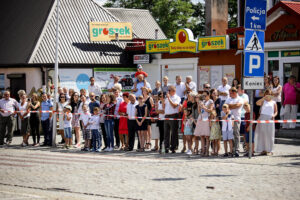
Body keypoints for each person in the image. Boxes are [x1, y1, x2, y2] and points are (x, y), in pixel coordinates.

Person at [255, 89, 277, 156]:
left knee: (270, 134)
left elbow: (276, 111)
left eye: (269, 93)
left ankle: (270, 150)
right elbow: (257, 103)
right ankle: (263, 149)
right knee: (262, 134)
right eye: (267, 93)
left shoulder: (273, 102)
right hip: (262, 118)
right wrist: (263, 98)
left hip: (270, 118)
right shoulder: (263, 101)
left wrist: (274, 115)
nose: (268, 94)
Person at [225, 87, 244, 157]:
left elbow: (238, 105)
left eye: (231, 93)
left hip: (236, 119)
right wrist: (232, 106)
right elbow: (225, 107)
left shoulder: (240, 99)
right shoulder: (228, 98)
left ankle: (237, 149)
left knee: (236, 134)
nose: (229, 94)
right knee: (230, 135)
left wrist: (230, 106)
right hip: (229, 119)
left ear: (234, 93)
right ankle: (231, 149)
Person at [194, 91, 213, 156]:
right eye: (203, 96)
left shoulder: (210, 101)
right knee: (201, 135)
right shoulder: (203, 101)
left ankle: (207, 151)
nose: (204, 97)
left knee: (207, 136)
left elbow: (210, 110)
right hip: (201, 118)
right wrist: (199, 106)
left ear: (208, 95)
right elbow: (199, 112)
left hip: (207, 118)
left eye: (205, 95)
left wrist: (204, 107)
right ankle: (203, 150)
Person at [164, 85, 181, 153]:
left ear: (173, 91)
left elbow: (174, 106)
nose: (168, 92)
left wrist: (169, 99)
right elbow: (164, 106)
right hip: (167, 116)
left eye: (169, 90)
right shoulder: (167, 98)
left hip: (173, 115)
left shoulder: (177, 97)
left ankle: (173, 147)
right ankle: (166, 147)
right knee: (166, 133)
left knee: (174, 132)